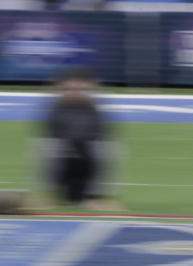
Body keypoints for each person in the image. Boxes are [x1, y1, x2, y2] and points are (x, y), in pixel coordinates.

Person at [31, 69, 124, 212]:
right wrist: (49, 194)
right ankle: (55, 196)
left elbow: (105, 158)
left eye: (81, 89)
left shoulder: (97, 112)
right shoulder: (54, 111)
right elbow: (45, 157)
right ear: (59, 88)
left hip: (87, 173)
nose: (74, 93)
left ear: (92, 88)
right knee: (52, 147)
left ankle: (90, 197)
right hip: (63, 173)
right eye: (68, 89)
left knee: (101, 148)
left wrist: (96, 195)